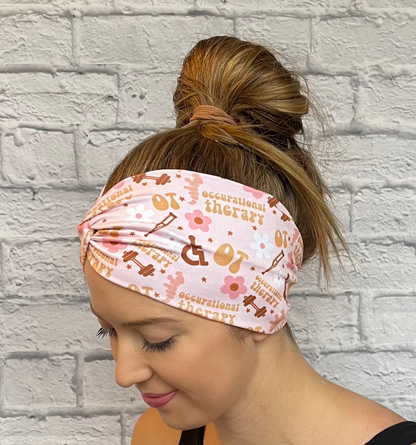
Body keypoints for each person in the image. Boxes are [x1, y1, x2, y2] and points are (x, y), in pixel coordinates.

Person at [77, 36, 416, 445]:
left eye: (156, 339)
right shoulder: (154, 437)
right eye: (108, 331)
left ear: (261, 307)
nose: (123, 373)